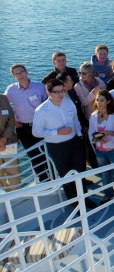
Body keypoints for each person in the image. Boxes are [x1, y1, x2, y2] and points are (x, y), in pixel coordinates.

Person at [32, 79, 96, 210]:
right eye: (57, 92)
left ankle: (85, 198)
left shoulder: (68, 102)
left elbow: (75, 119)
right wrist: (57, 132)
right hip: (57, 147)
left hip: (75, 142)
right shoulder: (41, 111)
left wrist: (79, 135)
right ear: (48, 93)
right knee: (66, 176)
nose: (61, 94)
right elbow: (36, 132)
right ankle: (75, 204)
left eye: (62, 90)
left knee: (80, 172)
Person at [4, 64, 48, 182]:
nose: (20, 75)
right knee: (32, 155)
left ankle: (52, 175)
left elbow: (47, 103)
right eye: (16, 73)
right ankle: (44, 179)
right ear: (14, 77)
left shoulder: (39, 87)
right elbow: (4, 105)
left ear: (27, 72)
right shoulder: (11, 90)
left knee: (45, 153)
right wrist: (12, 118)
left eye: (21, 72)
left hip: (39, 125)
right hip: (23, 128)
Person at [88, 90, 114, 206]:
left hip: (113, 150)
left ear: (108, 101)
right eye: (97, 100)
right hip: (100, 151)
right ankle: (108, 193)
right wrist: (96, 139)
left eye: (102, 100)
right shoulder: (93, 116)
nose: (99, 103)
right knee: (104, 173)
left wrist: (110, 133)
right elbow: (91, 132)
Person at [57, 72, 96, 171]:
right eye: (70, 81)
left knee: (82, 152)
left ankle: (85, 173)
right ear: (65, 84)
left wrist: (84, 124)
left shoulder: (72, 93)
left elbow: (79, 110)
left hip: (79, 130)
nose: (73, 82)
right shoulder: (57, 100)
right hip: (68, 134)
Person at [0, 94, 21, 191]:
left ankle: (17, 199)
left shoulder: (3, 98)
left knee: (14, 173)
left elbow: (11, 119)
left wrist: (4, 138)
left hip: (8, 142)